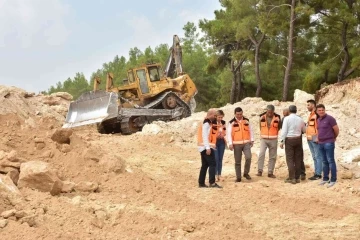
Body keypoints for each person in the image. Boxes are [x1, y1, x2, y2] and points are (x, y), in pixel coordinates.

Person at [227, 107, 254, 182]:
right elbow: (229, 134)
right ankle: (238, 177)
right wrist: (230, 143)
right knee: (238, 161)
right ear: (235, 114)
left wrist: (252, 140)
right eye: (238, 114)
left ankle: (246, 173)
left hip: (246, 143)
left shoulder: (246, 121)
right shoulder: (231, 122)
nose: (239, 116)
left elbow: (251, 130)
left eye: (241, 114)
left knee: (248, 157)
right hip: (236, 144)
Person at [280, 105, 306, 184]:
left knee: (290, 159)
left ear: (289, 111)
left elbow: (284, 131)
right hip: (298, 140)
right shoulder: (300, 119)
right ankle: (297, 177)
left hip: (289, 140)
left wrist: (282, 141)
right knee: (298, 159)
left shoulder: (286, 119)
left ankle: (292, 178)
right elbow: (304, 130)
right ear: (296, 110)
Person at [197, 108, 222, 188]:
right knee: (212, 163)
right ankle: (212, 183)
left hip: (202, 146)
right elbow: (205, 136)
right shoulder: (206, 123)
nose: (215, 117)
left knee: (204, 165)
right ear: (210, 115)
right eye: (214, 115)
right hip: (205, 147)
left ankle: (201, 183)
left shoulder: (207, 122)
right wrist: (208, 148)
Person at [316, 104, 339, 188]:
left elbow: (336, 129)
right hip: (321, 143)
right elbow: (318, 131)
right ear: (317, 111)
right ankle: (325, 178)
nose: (321, 111)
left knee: (330, 161)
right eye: (319, 110)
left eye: (322, 110)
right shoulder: (318, 120)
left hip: (329, 142)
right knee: (324, 161)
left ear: (324, 110)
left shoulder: (330, 118)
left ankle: (333, 179)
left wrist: (334, 137)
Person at [257, 105, 281, 178]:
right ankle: (259, 171)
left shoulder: (278, 117)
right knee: (261, 154)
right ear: (266, 111)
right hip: (264, 139)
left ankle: (270, 172)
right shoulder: (261, 117)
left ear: (273, 111)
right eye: (268, 112)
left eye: (271, 112)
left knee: (272, 156)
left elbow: (279, 127)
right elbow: (260, 127)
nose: (269, 113)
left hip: (273, 139)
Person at [306, 100, 322, 180]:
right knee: (314, 156)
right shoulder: (311, 115)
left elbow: (319, 127)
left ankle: (318, 174)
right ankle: (316, 172)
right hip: (309, 139)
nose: (307, 106)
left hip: (315, 139)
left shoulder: (316, 115)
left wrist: (318, 138)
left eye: (308, 105)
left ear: (313, 105)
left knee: (318, 156)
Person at [212, 110, 226, 182]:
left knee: (220, 159)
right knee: (216, 159)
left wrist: (223, 134)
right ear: (216, 116)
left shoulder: (223, 123)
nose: (220, 119)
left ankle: (219, 175)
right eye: (219, 117)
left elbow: (225, 131)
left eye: (221, 117)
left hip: (221, 142)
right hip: (215, 142)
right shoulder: (212, 123)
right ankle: (215, 174)